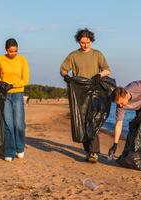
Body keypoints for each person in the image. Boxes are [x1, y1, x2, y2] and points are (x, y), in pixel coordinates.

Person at [60, 28, 111, 163]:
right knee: (81, 122)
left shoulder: (98, 54)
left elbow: (107, 70)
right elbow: (63, 69)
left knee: (93, 121)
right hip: (79, 93)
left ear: (91, 41)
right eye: (83, 42)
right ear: (78, 41)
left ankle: (94, 153)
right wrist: (67, 77)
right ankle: (88, 152)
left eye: (88, 42)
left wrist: (99, 75)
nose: (85, 45)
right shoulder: (73, 56)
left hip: (95, 91)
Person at [108, 72, 141, 161]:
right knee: (137, 127)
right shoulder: (120, 106)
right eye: (118, 104)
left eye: (121, 103)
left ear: (126, 95)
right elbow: (119, 124)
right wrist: (115, 144)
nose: (121, 106)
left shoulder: (137, 87)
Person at [0, 38, 30, 162]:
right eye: (11, 51)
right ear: (6, 49)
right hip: (5, 95)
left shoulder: (22, 60)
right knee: (8, 124)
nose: (13, 53)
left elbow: (26, 79)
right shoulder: (0, 60)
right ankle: (9, 151)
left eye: (15, 51)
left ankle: (20, 148)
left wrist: (12, 85)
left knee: (19, 124)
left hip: (18, 94)